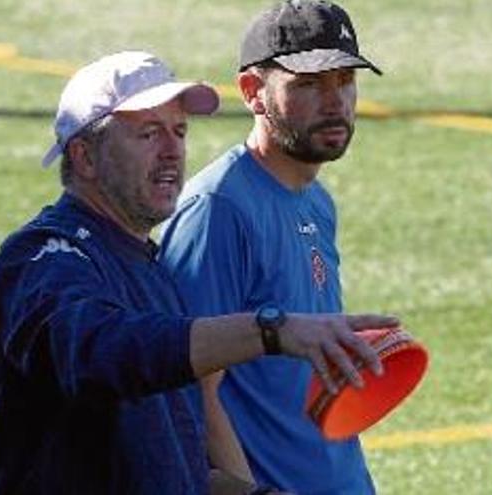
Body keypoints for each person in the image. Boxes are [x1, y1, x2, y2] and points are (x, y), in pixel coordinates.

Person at [0, 50, 396, 494]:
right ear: (85, 157)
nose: (173, 151)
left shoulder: (148, 269)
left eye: (179, 131)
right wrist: (271, 330)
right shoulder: (44, 259)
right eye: (148, 134)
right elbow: (104, 351)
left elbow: (171, 464)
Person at [158, 1, 385, 493]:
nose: (335, 102)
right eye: (307, 84)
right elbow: (191, 385)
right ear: (252, 92)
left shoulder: (316, 201)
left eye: (345, 81)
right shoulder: (217, 209)